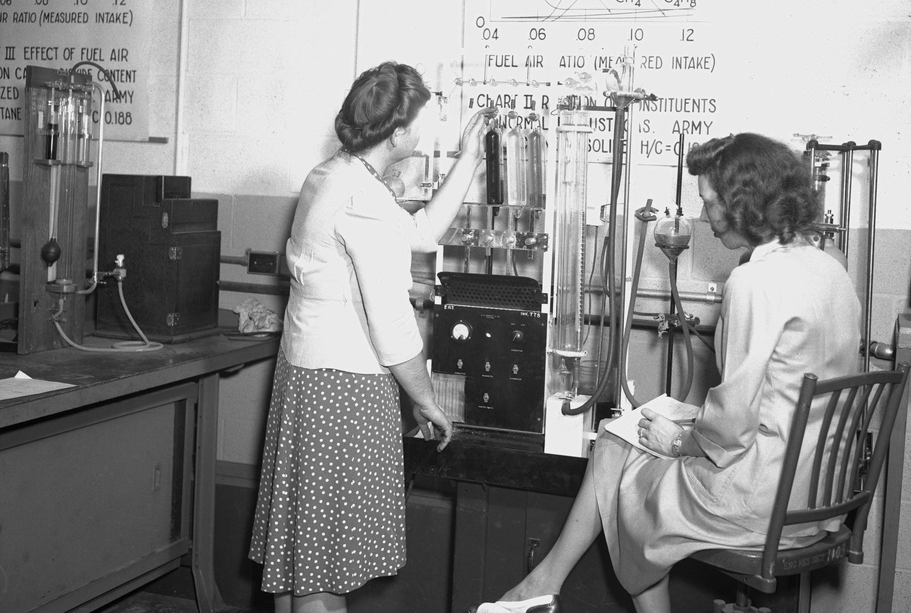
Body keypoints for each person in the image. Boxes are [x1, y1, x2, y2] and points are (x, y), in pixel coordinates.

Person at [474, 133, 860, 613]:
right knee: (619, 435)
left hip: (763, 501)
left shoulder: (755, 280)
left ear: (745, 205)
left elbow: (732, 426)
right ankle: (539, 587)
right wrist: (687, 427)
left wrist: (677, 441)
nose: (703, 218)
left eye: (711, 203)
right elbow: (776, 397)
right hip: (818, 494)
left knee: (626, 484)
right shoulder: (832, 268)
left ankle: (539, 589)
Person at [249, 61, 487, 613]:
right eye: (420, 122)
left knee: (300, 566)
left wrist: (469, 158)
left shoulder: (333, 175)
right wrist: (425, 399)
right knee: (325, 581)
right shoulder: (365, 200)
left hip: (308, 379)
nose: (425, 130)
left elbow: (421, 233)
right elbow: (392, 323)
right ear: (397, 133)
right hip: (344, 392)